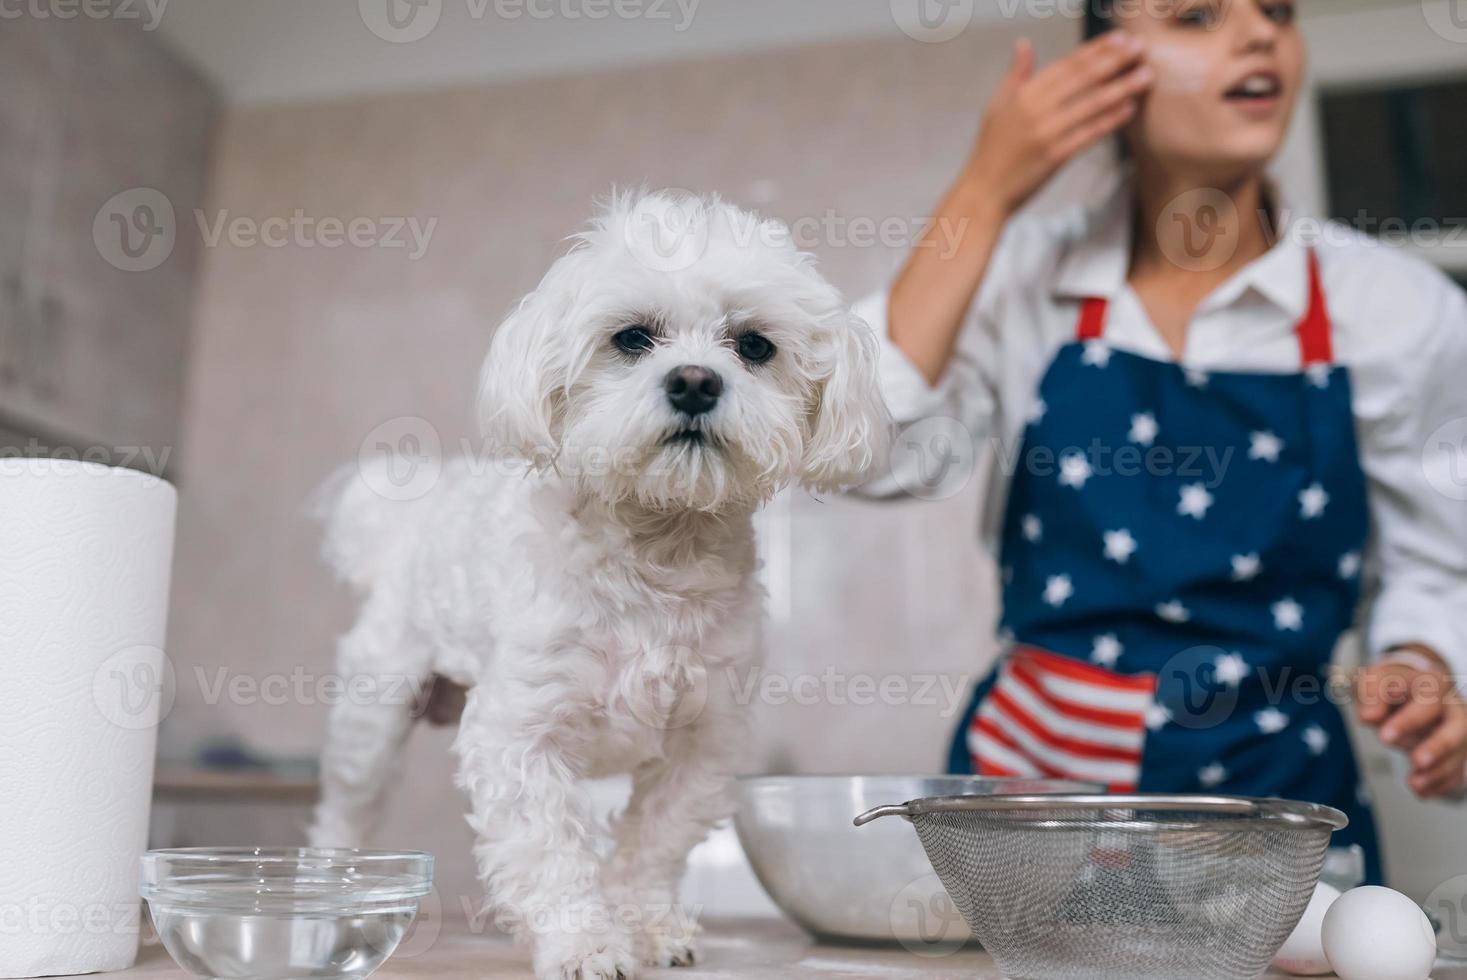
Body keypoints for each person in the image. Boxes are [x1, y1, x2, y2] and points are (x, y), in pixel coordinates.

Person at [858, 0, 1467, 884]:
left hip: (1274, 819)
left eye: (1277, 12)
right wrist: (984, 190)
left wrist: (1423, 661)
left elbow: (1438, 563)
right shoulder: (1019, 274)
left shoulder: (1401, 312)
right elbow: (860, 449)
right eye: (1197, 16)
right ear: (1103, 71)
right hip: (1026, 814)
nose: (1258, 34)